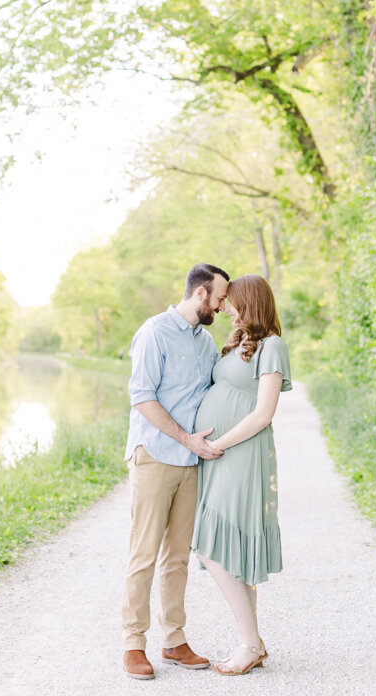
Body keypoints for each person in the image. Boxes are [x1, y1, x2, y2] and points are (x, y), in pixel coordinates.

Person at [122, 263, 230, 681]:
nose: (222, 306)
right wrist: (187, 439)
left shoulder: (206, 342)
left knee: (178, 558)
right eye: (219, 298)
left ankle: (174, 640)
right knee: (143, 554)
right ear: (201, 294)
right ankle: (134, 644)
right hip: (155, 455)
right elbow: (142, 398)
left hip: (192, 463)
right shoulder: (154, 332)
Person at [191, 273, 292, 676]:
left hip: (242, 454)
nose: (225, 307)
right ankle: (254, 642)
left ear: (249, 301)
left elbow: (264, 413)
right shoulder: (236, 344)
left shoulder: (273, 347)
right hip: (220, 456)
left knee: (211, 548)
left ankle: (249, 643)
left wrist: (222, 443)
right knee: (226, 548)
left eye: (232, 301)